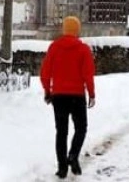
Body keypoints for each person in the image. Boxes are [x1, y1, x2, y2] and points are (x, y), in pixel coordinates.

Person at [40, 16, 96, 179]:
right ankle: (73, 155)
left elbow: (45, 73)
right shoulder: (83, 49)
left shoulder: (54, 47)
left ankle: (62, 168)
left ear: (64, 29)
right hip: (77, 96)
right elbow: (88, 75)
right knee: (81, 128)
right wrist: (91, 94)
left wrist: (47, 91)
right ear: (77, 30)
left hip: (58, 96)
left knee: (61, 132)